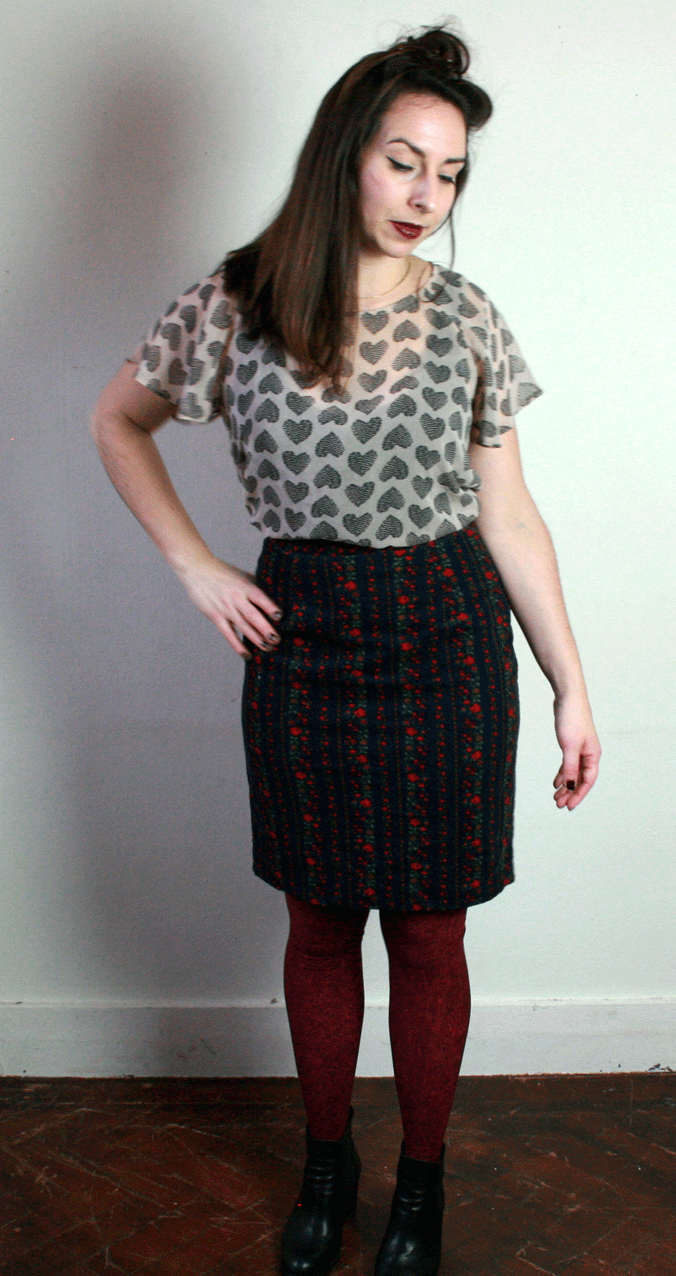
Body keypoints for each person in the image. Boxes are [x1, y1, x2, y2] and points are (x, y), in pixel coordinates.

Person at [91, 25, 600, 1276]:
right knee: (319, 922)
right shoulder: (243, 296)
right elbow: (118, 420)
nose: (427, 194)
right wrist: (198, 565)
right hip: (305, 632)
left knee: (429, 934)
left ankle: (420, 1184)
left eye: (450, 173)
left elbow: (510, 517)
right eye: (403, 161)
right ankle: (328, 1164)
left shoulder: (466, 316)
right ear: (345, 155)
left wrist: (571, 686)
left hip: (446, 631)